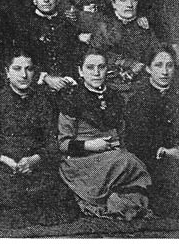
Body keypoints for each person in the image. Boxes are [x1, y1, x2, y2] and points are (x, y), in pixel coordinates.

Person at [0, 48, 77, 227]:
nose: (23, 75)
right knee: (7, 195)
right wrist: (9, 162)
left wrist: (33, 160)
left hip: (36, 163)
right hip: (5, 165)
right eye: (17, 69)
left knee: (55, 194)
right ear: (7, 72)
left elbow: (51, 141)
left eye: (29, 69)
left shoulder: (43, 101)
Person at [58, 49, 152, 220]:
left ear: (107, 69)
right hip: (82, 161)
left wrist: (116, 147)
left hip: (112, 156)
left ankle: (118, 202)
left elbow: (121, 133)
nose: (96, 73)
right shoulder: (71, 97)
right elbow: (63, 144)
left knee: (132, 164)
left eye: (101, 67)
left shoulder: (115, 97)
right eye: (90, 67)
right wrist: (91, 145)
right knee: (128, 162)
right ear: (80, 71)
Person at [125, 44, 179, 218]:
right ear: (148, 69)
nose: (165, 72)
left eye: (170, 65)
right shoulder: (139, 99)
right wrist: (164, 151)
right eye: (158, 65)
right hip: (152, 160)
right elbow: (134, 142)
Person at [90, 0, 160, 91]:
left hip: (141, 86)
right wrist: (126, 63)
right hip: (110, 86)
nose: (130, 4)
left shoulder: (145, 27)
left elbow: (156, 55)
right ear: (113, 3)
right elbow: (95, 57)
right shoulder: (103, 27)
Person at [21, 0, 80, 92]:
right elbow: (22, 61)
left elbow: (75, 57)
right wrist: (46, 78)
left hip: (67, 82)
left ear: (58, 0)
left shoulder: (68, 25)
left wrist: (68, 79)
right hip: (37, 85)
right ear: (34, 0)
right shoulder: (25, 26)